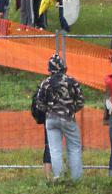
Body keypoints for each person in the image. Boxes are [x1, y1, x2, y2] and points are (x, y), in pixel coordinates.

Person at [34, 54, 84, 182]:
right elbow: (80, 101)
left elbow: (39, 102)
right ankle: (76, 179)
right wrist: (71, 110)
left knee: (55, 149)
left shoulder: (45, 83)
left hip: (50, 119)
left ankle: (58, 177)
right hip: (68, 118)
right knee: (74, 148)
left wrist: (49, 111)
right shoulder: (72, 81)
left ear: (49, 69)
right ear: (64, 68)